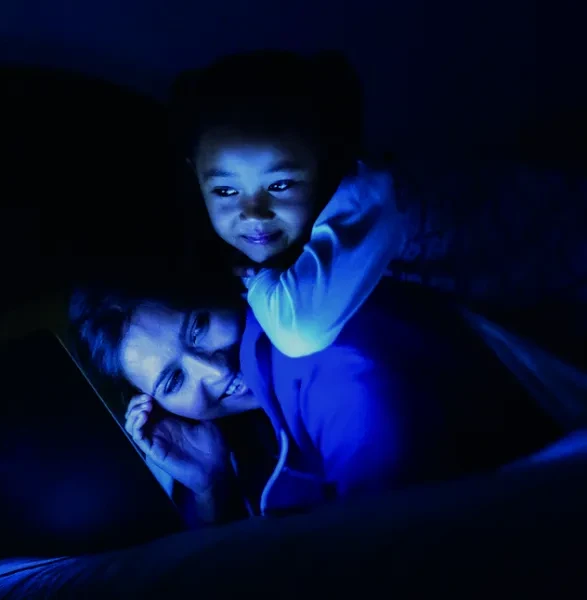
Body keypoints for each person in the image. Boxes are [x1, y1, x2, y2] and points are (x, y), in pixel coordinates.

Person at [170, 50, 587, 365]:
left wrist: (259, 280)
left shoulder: (367, 197)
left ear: (324, 161)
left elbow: (300, 332)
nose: (254, 212)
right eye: (226, 192)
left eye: (279, 185)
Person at [70, 278, 560, 526]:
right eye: (174, 380)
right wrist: (212, 487)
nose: (215, 371)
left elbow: (393, 541)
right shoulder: (241, 440)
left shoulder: (326, 363)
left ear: (219, 291)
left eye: (198, 325)